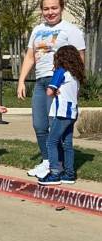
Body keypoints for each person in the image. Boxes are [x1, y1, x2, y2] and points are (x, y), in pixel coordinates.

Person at [17, 0, 85, 179]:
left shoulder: (72, 30)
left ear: (62, 8)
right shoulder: (37, 30)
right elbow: (30, 56)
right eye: (46, 9)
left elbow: (80, 60)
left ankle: (59, 166)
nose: (50, 12)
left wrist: (75, 89)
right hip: (40, 81)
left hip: (60, 83)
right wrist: (21, 80)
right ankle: (48, 161)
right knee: (39, 125)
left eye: (54, 8)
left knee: (54, 125)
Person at [38, 45, 84, 186]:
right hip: (72, 112)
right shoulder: (75, 75)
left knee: (52, 141)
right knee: (67, 143)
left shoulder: (60, 72)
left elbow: (49, 92)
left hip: (62, 112)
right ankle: (69, 174)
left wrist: (52, 88)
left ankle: (55, 173)